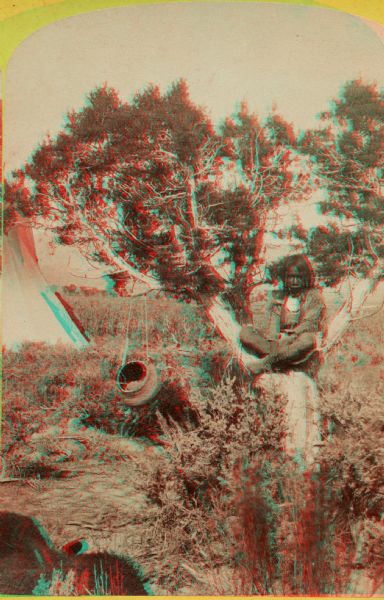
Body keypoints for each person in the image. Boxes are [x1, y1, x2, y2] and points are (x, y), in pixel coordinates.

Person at [240, 254, 325, 377]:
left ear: (305, 278)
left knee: (307, 340)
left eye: (299, 277)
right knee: (246, 332)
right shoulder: (277, 296)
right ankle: (279, 357)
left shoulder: (313, 296)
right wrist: (274, 341)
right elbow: (271, 326)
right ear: (285, 277)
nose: (295, 281)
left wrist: (289, 338)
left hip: (297, 340)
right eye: (291, 277)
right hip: (278, 343)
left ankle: (266, 363)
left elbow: (309, 323)